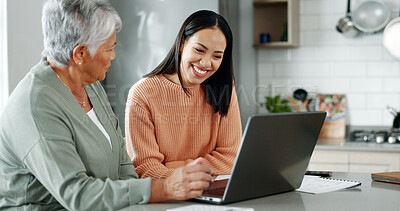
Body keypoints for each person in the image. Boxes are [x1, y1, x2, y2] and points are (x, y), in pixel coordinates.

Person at [0, 0, 213, 210]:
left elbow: (122, 164)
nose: (113, 56)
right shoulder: (35, 105)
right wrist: (165, 188)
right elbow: (79, 196)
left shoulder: (89, 84)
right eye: (108, 49)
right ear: (80, 54)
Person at [125, 10, 242, 179]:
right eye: (199, 50)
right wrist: (186, 178)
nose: (206, 63)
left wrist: (172, 168)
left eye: (217, 56)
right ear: (181, 44)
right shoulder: (143, 93)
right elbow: (146, 168)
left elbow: (231, 159)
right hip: (165, 195)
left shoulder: (223, 89)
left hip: (209, 191)